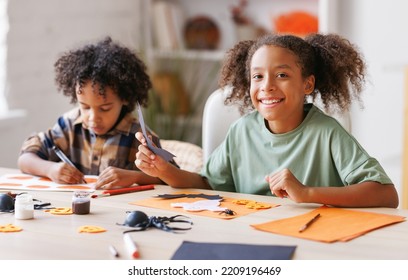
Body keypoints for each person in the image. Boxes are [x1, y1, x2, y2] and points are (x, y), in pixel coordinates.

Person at [135, 33, 399, 208]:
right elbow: (207, 184)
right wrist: (163, 170)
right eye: (258, 76)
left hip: (309, 240)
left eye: (282, 75)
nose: (267, 86)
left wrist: (307, 193)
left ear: (307, 84)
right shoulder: (241, 131)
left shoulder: (326, 132)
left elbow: (387, 195)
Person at [18, 36, 168, 189]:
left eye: (105, 108)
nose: (93, 118)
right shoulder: (69, 125)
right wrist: (50, 169)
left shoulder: (139, 136)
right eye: (85, 107)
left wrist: (136, 176)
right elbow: (25, 159)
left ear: (125, 98)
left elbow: (170, 178)